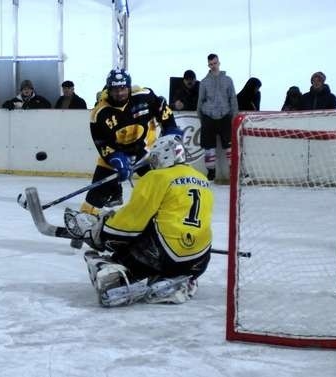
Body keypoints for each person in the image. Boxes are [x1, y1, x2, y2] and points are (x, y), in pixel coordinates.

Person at [66, 135, 213, 307]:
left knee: (108, 258)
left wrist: (101, 233)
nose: (153, 163)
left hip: (161, 256)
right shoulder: (202, 179)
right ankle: (179, 282)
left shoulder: (157, 177)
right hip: (198, 261)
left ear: (165, 156)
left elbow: (131, 221)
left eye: (156, 158)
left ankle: (121, 281)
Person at [77, 68, 182, 220]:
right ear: (108, 89)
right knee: (96, 193)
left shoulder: (144, 96)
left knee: (161, 189)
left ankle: (168, 220)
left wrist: (171, 128)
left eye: (123, 88)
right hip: (118, 153)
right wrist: (116, 159)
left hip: (146, 152)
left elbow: (162, 108)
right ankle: (85, 223)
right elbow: (102, 143)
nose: (119, 93)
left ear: (128, 87)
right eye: (115, 89)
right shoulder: (99, 113)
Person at [197, 53, 238, 181]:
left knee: (230, 145)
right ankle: (211, 172)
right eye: (211, 64)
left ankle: (233, 171)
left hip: (225, 115)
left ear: (219, 63)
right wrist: (201, 117)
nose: (213, 66)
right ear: (208, 65)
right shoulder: (204, 82)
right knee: (209, 146)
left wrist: (234, 116)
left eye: (215, 63)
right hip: (208, 117)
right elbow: (200, 100)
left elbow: (233, 98)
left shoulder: (228, 80)